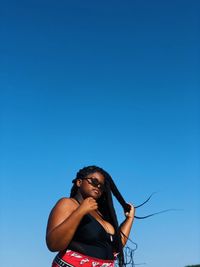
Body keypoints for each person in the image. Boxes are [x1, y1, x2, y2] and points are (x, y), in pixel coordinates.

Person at [46, 165, 135, 267]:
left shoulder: (100, 215)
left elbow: (115, 246)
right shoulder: (68, 203)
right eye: (94, 182)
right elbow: (53, 244)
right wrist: (81, 211)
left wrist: (129, 219)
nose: (98, 187)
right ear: (79, 182)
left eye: (101, 186)